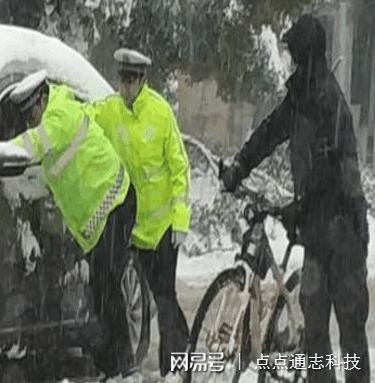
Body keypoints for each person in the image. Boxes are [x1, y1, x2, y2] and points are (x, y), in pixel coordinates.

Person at [220, 14, 370, 383]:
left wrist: (297, 208)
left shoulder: (328, 101)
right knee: (315, 335)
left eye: (293, 53)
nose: (290, 61)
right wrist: (240, 164)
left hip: (345, 234)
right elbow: (271, 131)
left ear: (306, 54)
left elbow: (335, 176)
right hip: (318, 238)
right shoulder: (300, 98)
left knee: (350, 335)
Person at [0, 70, 138, 379]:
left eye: (32, 112)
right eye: (27, 116)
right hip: (101, 215)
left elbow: (32, 145)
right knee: (100, 288)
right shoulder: (53, 113)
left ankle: (122, 366)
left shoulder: (59, 115)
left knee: (107, 286)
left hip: (115, 202)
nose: (31, 120)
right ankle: (111, 362)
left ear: (42, 99)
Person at [92, 48, 191, 379]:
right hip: (129, 225)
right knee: (109, 287)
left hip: (161, 227)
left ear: (143, 80)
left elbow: (180, 169)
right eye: (122, 79)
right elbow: (82, 120)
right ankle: (118, 363)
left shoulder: (160, 113)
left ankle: (175, 366)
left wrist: (180, 219)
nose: (127, 87)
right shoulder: (110, 111)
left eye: (133, 80)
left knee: (164, 298)